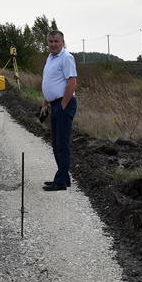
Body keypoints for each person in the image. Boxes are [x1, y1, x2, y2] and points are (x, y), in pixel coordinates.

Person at [40, 30, 78, 191]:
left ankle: (61, 181)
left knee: (62, 144)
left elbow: (72, 83)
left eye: (56, 41)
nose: (53, 44)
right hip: (54, 104)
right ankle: (64, 177)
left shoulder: (66, 58)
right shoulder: (50, 58)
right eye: (50, 41)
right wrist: (44, 104)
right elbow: (50, 83)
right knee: (56, 144)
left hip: (64, 104)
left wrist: (62, 106)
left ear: (63, 42)